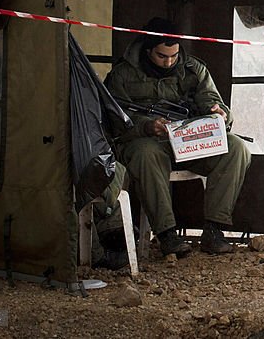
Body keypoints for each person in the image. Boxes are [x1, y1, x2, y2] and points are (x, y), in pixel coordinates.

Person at [105, 17, 251, 257]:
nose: (169, 61)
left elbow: (212, 101)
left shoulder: (194, 69)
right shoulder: (122, 75)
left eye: (173, 55)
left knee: (237, 148)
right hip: (147, 143)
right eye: (162, 56)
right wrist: (147, 126)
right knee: (146, 153)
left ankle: (214, 230)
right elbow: (114, 120)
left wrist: (220, 114)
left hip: (189, 143)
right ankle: (167, 235)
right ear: (148, 49)